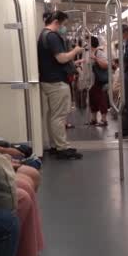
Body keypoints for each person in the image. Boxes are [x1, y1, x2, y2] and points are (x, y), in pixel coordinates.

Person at [38, 11, 84, 160]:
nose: (63, 28)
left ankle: (55, 145)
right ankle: (62, 148)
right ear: (57, 21)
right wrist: (75, 51)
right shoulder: (51, 36)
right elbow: (61, 58)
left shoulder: (43, 35)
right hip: (56, 82)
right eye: (63, 24)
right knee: (59, 116)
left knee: (52, 115)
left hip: (48, 80)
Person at [87, 36, 109, 127]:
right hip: (94, 81)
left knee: (101, 99)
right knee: (93, 98)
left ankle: (104, 120)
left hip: (99, 81)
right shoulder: (91, 52)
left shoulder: (99, 52)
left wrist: (95, 58)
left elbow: (106, 65)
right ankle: (93, 119)